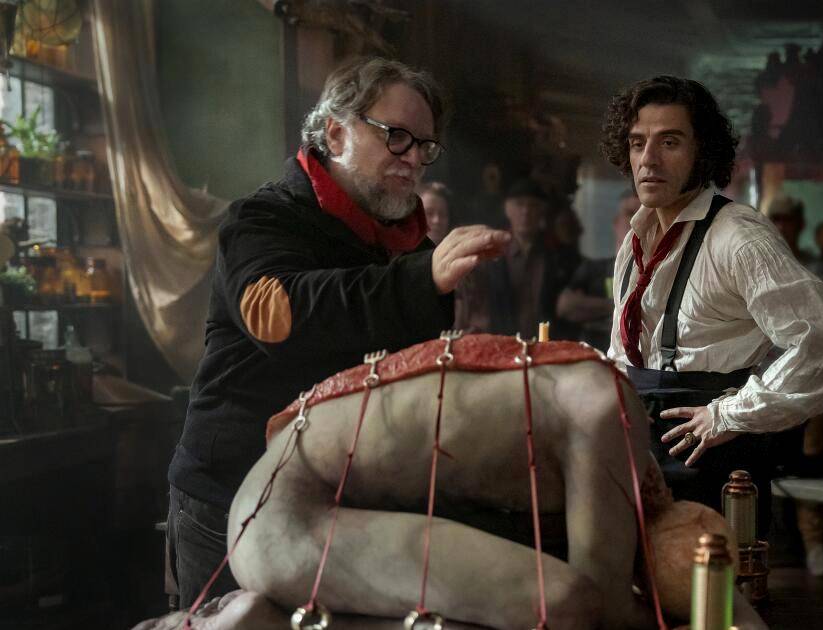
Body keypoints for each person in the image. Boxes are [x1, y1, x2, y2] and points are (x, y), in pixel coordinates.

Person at [165, 57, 510, 608]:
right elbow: (278, 314)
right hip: (231, 490)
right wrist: (423, 278)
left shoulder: (406, 244)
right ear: (335, 133)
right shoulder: (263, 218)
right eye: (396, 137)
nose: (413, 158)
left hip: (342, 495)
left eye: (424, 146)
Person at [142, 337, 769, 629]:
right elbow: (589, 607)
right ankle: (219, 625)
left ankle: (234, 620)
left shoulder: (605, 400)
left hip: (281, 497)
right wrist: (707, 611)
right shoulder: (611, 415)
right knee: (557, 605)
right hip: (283, 515)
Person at [599, 74, 823, 535]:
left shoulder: (738, 237)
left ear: (701, 151)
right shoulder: (636, 236)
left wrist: (731, 414)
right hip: (640, 450)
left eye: (669, 142)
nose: (648, 159)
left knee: (715, 578)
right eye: (638, 143)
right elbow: (625, 354)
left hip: (715, 459)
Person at [473, 178, 579, 339]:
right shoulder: (492, 254)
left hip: (548, 344)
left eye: (533, 205)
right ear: (507, 209)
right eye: (519, 204)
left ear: (542, 211)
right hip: (502, 343)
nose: (526, 211)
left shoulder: (557, 255)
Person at [557, 191, 640, 350]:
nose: (637, 220)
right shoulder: (594, 269)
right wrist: (622, 308)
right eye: (630, 213)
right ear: (616, 223)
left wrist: (594, 308)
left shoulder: (659, 274)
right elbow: (565, 306)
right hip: (596, 358)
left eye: (642, 214)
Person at [765, 195, 823, 288]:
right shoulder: (760, 264)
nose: (781, 227)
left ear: (800, 224)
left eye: (787, 220)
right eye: (776, 219)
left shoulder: (816, 269)